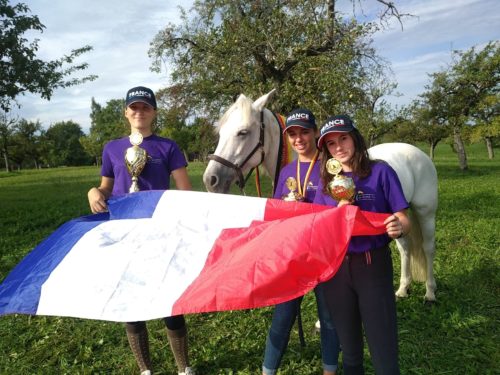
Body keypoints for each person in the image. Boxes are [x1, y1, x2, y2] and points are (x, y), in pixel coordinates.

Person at [87, 86, 194, 375]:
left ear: (154, 112)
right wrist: (94, 192)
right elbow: (107, 187)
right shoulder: (112, 148)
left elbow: (185, 191)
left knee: (169, 298)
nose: (139, 112)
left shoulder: (168, 147)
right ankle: (145, 369)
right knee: (130, 300)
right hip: (124, 233)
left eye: (145, 107)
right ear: (126, 112)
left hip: (161, 232)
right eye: (134, 107)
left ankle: (183, 367)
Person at [314, 114, 410, 375]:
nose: (339, 147)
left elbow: (403, 216)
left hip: (372, 265)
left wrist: (399, 226)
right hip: (336, 271)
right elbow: (318, 227)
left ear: (354, 138)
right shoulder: (325, 183)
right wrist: (338, 212)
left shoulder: (380, 171)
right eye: (331, 144)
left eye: (343, 138)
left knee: (383, 348)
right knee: (350, 349)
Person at [262, 109, 341, 375]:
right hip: (294, 256)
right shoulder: (286, 172)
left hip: (324, 253)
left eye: (304, 132)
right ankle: (267, 371)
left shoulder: (331, 167)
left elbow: (340, 210)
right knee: (283, 316)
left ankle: (329, 371)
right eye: (293, 134)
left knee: (329, 318)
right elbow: (274, 213)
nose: (299, 139)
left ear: (315, 133)